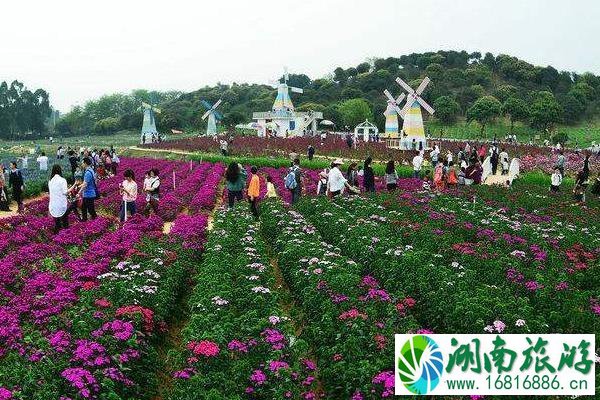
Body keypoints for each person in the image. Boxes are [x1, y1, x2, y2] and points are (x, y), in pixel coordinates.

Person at [48, 164, 69, 233]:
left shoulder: (50, 181)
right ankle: (67, 236)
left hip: (53, 204)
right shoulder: (62, 180)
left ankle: (56, 236)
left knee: (57, 222)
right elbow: (65, 192)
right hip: (61, 203)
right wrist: (74, 186)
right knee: (65, 221)